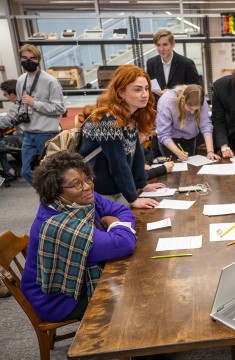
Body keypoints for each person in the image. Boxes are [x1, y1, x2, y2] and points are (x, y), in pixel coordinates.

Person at [20, 151, 137, 322]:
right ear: (56, 190)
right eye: (76, 184)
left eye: (88, 178)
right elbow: (125, 243)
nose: (88, 186)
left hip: (82, 280)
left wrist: (114, 225)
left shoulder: (81, 199)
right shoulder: (59, 226)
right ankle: (135, 343)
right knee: (134, 294)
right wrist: (112, 223)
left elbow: (123, 211)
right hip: (59, 300)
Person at [78, 64, 165, 209]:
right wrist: (133, 199)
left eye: (146, 88)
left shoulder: (130, 116)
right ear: (121, 92)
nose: (145, 94)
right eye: (137, 89)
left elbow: (137, 154)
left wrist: (142, 184)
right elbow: (118, 164)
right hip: (98, 192)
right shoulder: (108, 121)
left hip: (116, 188)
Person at [16, 44, 65, 185]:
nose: (28, 61)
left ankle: (54, 199)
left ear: (39, 60)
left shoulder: (50, 81)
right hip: (28, 133)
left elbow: (60, 108)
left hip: (46, 133)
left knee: (53, 172)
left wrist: (35, 103)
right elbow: (20, 103)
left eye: (32, 58)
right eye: (24, 58)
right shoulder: (21, 80)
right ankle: (49, 196)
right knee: (26, 171)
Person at [155, 84, 220, 161]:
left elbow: (206, 125)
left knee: (190, 166)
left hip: (190, 138)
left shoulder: (200, 100)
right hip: (170, 141)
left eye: (196, 110)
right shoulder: (167, 103)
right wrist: (178, 153)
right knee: (175, 168)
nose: (193, 112)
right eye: (190, 108)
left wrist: (210, 151)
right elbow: (163, 134)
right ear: (183, 99)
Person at [146, 29, 200, 98]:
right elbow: (149, 87)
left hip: (179, 105)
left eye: (165, 45)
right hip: (159, 106)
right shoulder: (151, 63)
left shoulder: (186, 64)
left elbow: (195, 88)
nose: (161, 49)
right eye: (158, 45)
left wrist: (173, 92)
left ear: (173, 44)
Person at [0, 79, 23, 181]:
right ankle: (8, 170)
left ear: (12, 94)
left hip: (22, 138)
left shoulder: (18, 107)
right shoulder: (24, 102)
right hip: (24, 136)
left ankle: (9, 171)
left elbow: (4, 123)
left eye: (5, 94)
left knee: (1, 145)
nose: (6, 97)